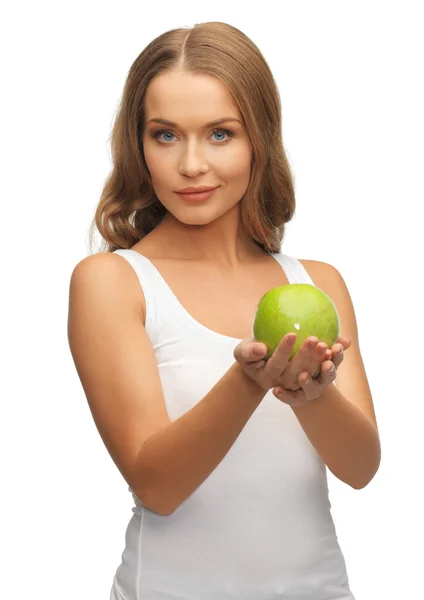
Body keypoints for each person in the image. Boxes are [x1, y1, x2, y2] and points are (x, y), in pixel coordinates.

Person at [67, 21, 380, 600]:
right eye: (165, 135)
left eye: (219, 134)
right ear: (137, 144)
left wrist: (313, 394)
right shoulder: (113, 282)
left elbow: (361, 468)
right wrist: (248, 381)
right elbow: (158, 484)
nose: (191, 164)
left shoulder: (317, 282)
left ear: (258, 138)